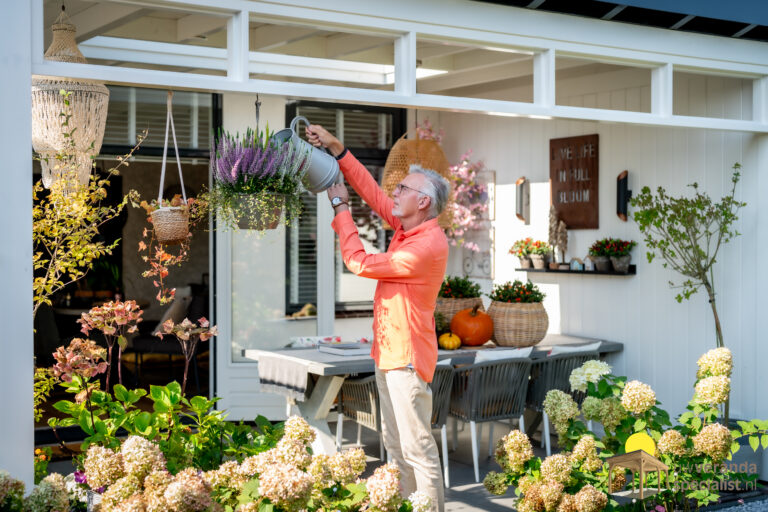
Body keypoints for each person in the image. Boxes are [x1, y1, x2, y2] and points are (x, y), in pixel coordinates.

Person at [306, 124, 450, 512]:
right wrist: (337, 148)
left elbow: (359, 262)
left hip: (406, 358)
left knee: (418, 448)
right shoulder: (408, 227)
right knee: (395, 446)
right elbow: (372, 191)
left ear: (423, 202)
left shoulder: (424, 246)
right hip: (388, 354)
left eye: (404, 189)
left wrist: (339, 208)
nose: (396, 192)